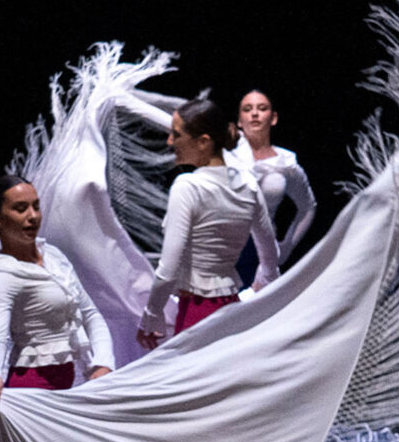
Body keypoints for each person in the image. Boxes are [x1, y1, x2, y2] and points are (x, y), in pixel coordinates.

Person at [136, 98, 280, 349]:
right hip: (233, 310)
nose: (170, 141)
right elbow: (270, 254)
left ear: (203, 142)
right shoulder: (248, 184)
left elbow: (168, 269)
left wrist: (152, 314)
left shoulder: (188, 186)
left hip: (196, 313)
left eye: (176, 135)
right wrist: (262, 281)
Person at [0, 175, 114, 402]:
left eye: (36, 206)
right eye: (20, 209)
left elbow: (91, 314)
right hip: (32, 388)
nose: (32, 216)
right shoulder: (4, 275)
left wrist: (103, 362)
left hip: (71, 382)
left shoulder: (53, 256)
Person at [226, 90, 317, 270]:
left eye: (262, 108)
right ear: (239, 120)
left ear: (273, 118)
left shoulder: (285, 163)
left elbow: (308, 207)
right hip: (218, 243)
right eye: (247, 109)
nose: (254, 113)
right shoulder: (226, 153)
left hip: (258, 251)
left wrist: (287, 246)